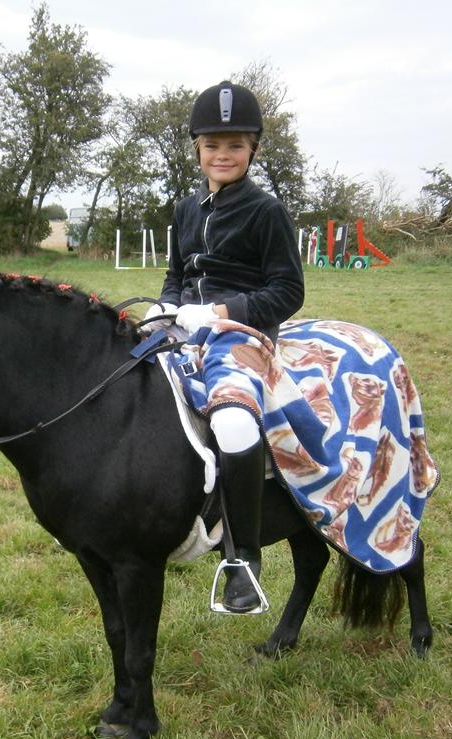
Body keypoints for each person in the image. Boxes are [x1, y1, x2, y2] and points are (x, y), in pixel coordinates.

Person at [145, 80, 305, 612]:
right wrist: (165, 307)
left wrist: (218, 312)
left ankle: (242, 559)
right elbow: (176, 275)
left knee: (233, 421)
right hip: (184, 330)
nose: (223, 155)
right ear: (197, 150)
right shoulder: (185, 209)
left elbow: (288, 292)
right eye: (213, 145)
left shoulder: (266, 212)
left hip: (243, 337)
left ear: (252, 150)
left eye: (235, 145)